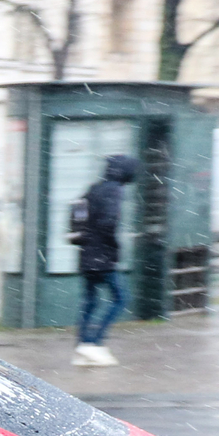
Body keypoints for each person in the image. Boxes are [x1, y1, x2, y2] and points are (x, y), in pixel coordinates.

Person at [71, 153, 134, 366]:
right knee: (120, 298)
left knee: (90, 301)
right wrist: (114, 247)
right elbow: (108, 223)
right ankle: (95, 343)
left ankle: (82, 346)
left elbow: (79, 214)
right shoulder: (114, 190)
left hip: (87, 253)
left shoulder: (95, 188)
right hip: (103, 256)